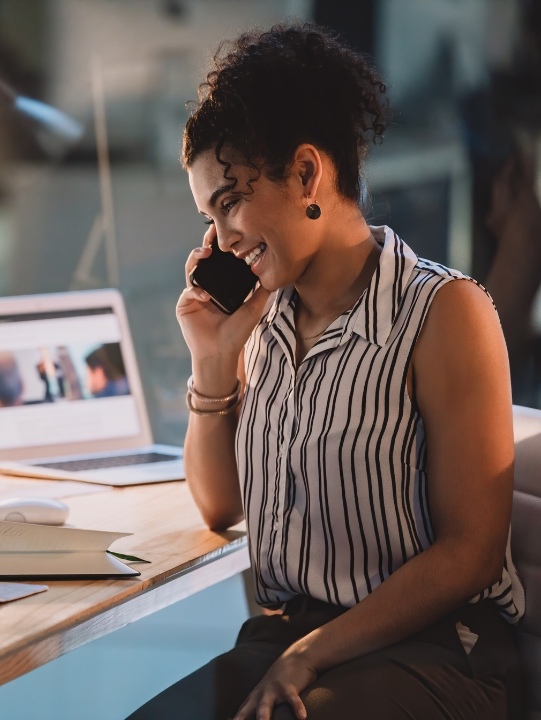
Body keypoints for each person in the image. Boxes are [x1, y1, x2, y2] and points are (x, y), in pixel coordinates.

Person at [129, 24, 523, 720]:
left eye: (229, 203)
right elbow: (222, 505)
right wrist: (215, 358)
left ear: (307, 173)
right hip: (288, 639)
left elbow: (473, 553)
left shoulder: (444, 312)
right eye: (208, 218)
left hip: (435, 651)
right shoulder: (266, 320)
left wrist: (311, 654)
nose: (220, 241)